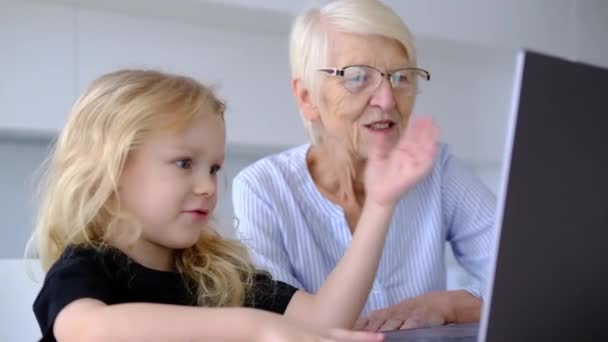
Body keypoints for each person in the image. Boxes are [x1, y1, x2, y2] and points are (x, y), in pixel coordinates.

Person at [30, 69, 438, 341]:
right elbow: (87, 330)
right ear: (110, 169)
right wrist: (255, 327)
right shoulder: (84, 266)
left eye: (214, 167)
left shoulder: (216, 274)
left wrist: (379, 207)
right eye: (184, 163)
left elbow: (322, 322)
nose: (209, 186)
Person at [232, 0, 496, 332]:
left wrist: (450, 305)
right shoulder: (263, 188)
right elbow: (279, 330)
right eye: (357, 77)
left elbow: (525, 281)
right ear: (307, 98)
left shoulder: (438, 169)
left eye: (401, 77)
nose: (387, 100)